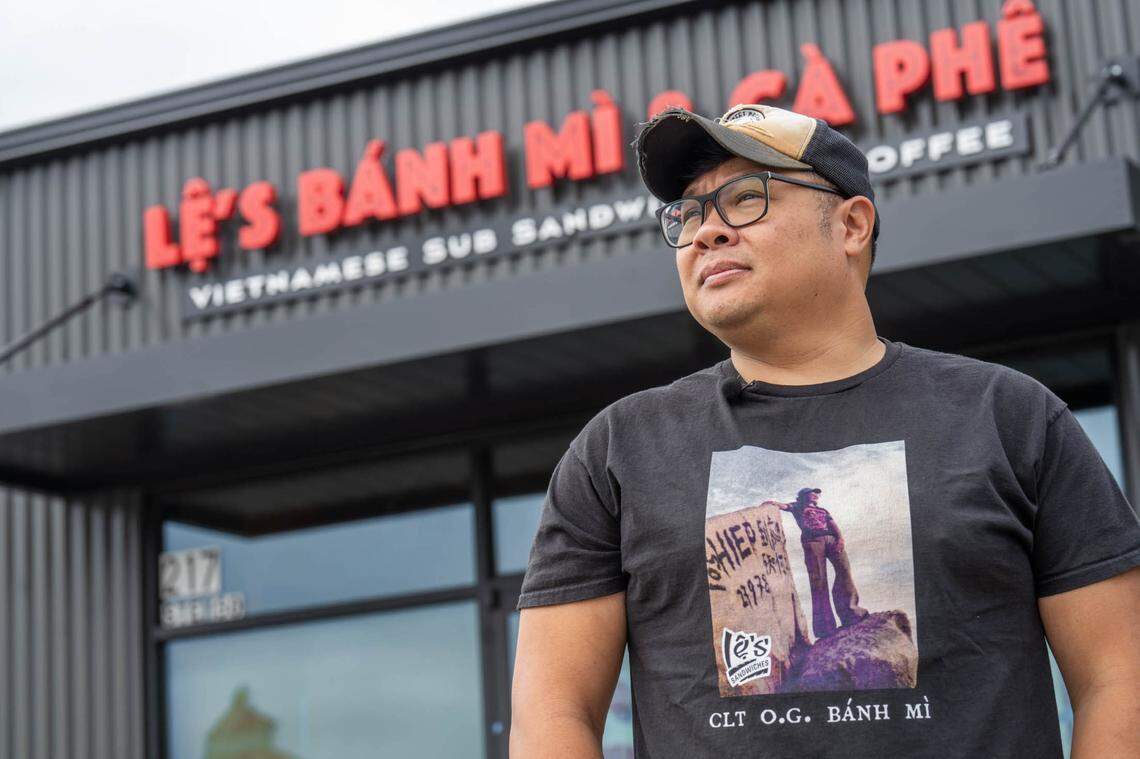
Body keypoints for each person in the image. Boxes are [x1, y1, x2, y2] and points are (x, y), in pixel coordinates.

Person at [509, 103, 1140, 758]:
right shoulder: (618, 450)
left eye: (745, 197)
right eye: (688, 214)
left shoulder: (1012, 418)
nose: (705, 233)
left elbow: (1119, 679)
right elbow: (553, 715)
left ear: (851, 225)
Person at [764, 486, 868, 638]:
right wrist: (772, 503)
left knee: (844, 572)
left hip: (832, 539)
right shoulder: (797, 507)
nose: (815, 495)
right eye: (811, 493)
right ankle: (825, 627)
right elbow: (783, 506)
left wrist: (840, 538)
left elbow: (833, 525)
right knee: (818, 580)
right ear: (803, 496)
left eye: (816, 493)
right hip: (812, 541)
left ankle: (852, 613)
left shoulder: (823, 510)